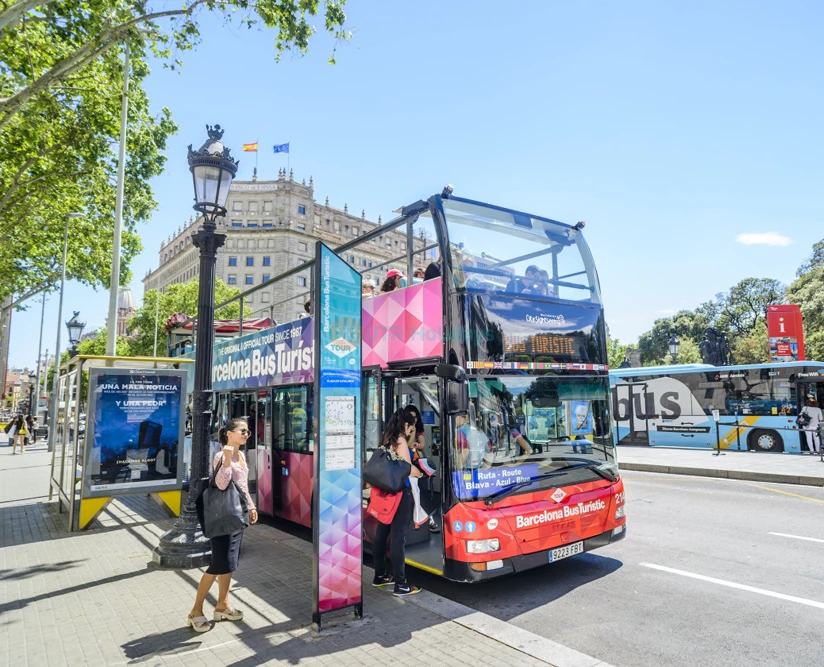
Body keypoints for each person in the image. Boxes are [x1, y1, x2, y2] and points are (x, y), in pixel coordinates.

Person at [188, 418, 258, 633]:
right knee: (217, 565)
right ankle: (195, 612)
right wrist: (227, 460)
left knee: (229, 565)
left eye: (248, 431)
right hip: (222, 518)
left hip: (237, 516)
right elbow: (221, 484)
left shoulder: (242, 455)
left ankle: (222, 606)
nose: (247, 434)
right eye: (242, 431)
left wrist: (252, 506)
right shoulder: (221, 455)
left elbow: (243, 487)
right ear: (229, 433)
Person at [371, 408, 422, 596]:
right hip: (400, 493)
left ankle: (380, 576)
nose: (410, 432)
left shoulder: (386, 438)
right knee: (398, 536)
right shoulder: (400, 441)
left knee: (381, 533)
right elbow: (407, 469)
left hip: (385, 492)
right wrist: (421, 472)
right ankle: (401, 584)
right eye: (411, 428)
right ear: (406, 425)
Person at [403, 406, 439, 532]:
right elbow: (407, 445)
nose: (414, 420)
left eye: (415, 417)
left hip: (418, 462)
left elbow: (422, 444)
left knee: (422, 490)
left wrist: (417, 444)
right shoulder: (404, 431)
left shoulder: (418, 429)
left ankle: (429, 518)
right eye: (411, 417)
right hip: (408, 464)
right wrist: (412, 432)